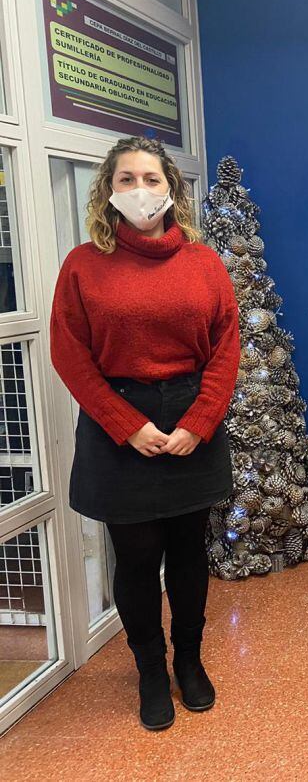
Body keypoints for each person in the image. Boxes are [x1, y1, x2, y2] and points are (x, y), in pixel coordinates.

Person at [50, 136, 239, 731]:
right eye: (127, 179)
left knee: (188, 551)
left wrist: (199, 423)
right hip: (118, 421)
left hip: (190, 416)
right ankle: (150, 671)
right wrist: (128, 426)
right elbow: (70, 354)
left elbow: (227, 348)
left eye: (151, 179)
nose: (140, 191)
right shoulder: (83, 264)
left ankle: (189, 660)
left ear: (172, 190)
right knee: (134, 559)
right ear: (109, 191)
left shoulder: (204, 263)